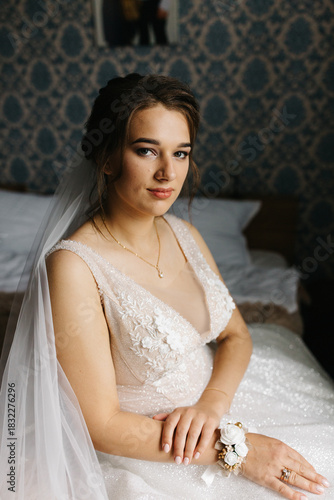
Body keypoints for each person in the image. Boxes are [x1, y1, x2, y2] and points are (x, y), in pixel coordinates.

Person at [0, 74, 333, 500]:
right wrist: (237, 448)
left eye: (181, 153)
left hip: (222, 405)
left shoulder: (184, 234)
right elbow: (101, 426)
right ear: (106, 158)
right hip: (155, 452)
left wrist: (213, 407)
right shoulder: (74, 266)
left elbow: (236, 335)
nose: (168, 172)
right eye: (146, 150)